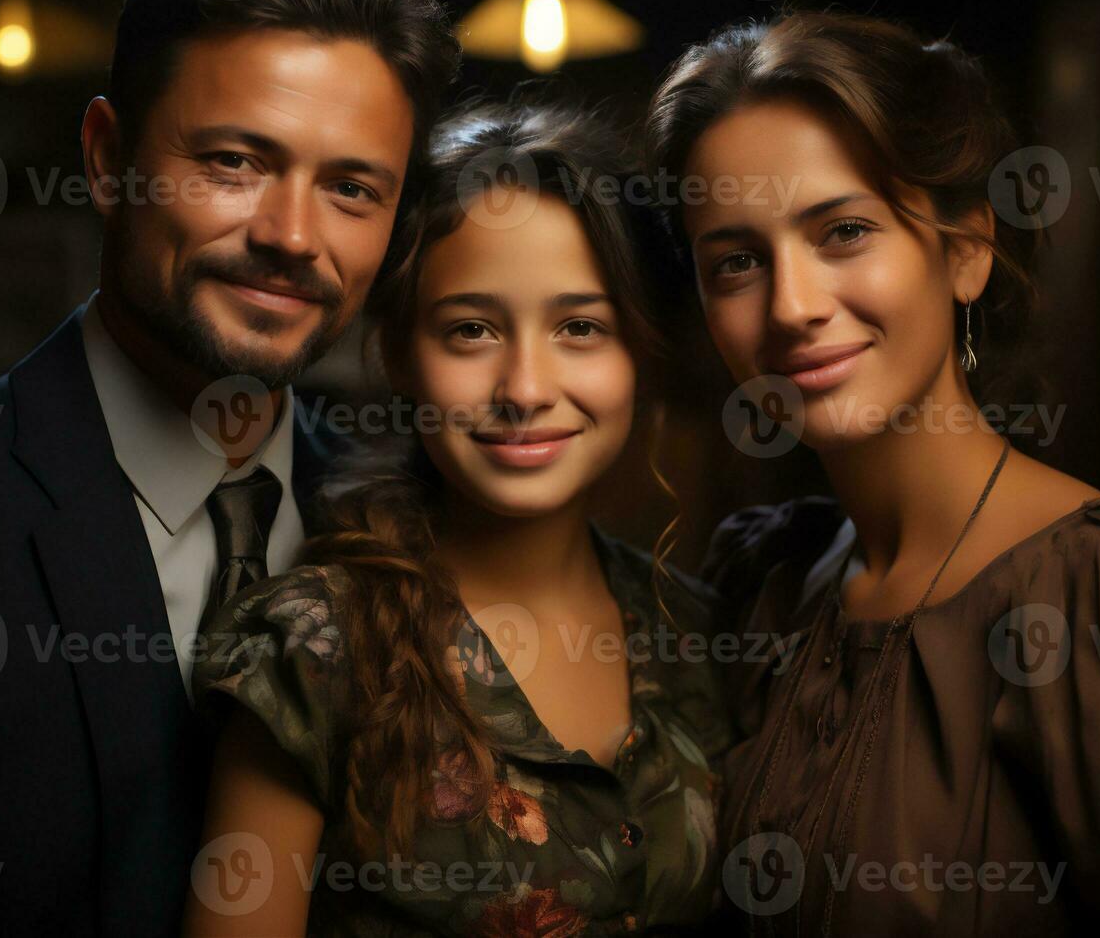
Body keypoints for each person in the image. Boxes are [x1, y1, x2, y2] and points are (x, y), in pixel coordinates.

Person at [0, 0, 457, 933]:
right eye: (235, 162)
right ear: (106, 157)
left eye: (350, 186)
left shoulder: (408, 532)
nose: (293, 235)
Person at [645, 10, 1100, 935]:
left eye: (842, 231)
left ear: (966, 251)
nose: (791, 306)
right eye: (739, 261)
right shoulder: (768, 584)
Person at [182, 100, 733, 936]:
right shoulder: (315, 649)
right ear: (400, 353)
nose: (524, 388)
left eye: (579, 327)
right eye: (471, 330)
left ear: (641, 354)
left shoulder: (702, 633)